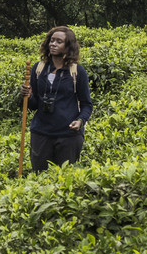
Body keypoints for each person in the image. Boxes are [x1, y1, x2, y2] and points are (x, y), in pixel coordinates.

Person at [21, 25, 93, 170]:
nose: (53, 44)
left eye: (59, 42)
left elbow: (86, 104)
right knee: (39, 178)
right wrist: (27, 96)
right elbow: (33, 105)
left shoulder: (77, 71)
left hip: (68, 135)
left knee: (65, 180)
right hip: (41, 133)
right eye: (51, 40)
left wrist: (80, 121)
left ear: (68, 47)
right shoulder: (38, 68)